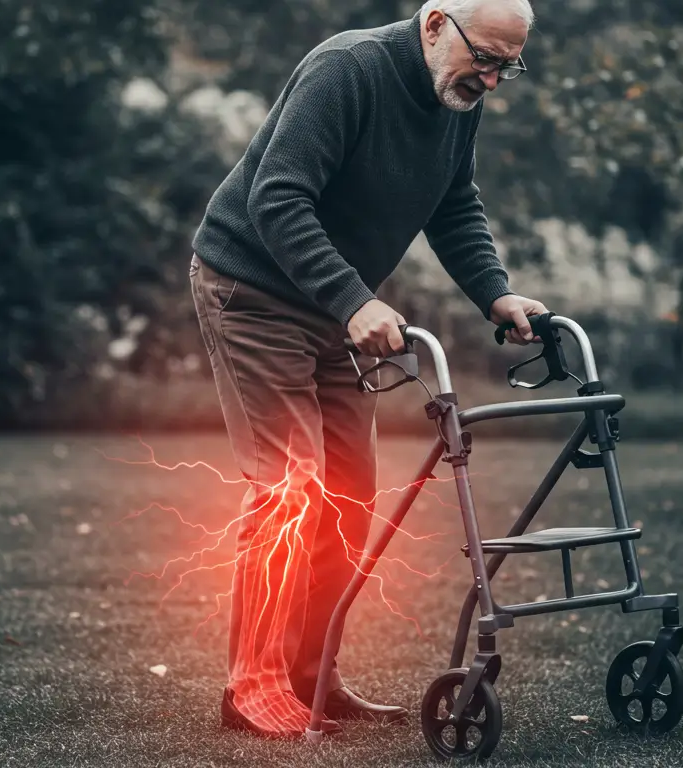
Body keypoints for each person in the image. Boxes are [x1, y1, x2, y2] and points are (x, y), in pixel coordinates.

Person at [187, 0, 548, 739]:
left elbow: (453, 205)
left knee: (348, 494)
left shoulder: (458, 99)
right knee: (292, 486)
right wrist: (355, 300)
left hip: (331, 309)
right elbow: (277, 198)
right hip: (252, 292)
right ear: (434, 22)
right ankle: (251, 686)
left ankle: (313, 679)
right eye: (487, 57)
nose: (495, 78)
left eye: (510, 65)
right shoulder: (347, 70)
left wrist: (497, 292)